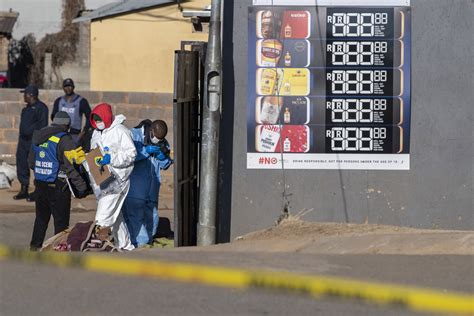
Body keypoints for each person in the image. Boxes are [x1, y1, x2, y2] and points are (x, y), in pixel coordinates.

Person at [28, 111, 89, 251]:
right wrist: (82, 187)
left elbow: (31, 162)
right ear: (66, 125)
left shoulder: (39, 137)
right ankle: (59, 250)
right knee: (61, 222)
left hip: (40, 184)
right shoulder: (64, 139)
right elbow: (71, 167)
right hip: (58, 186)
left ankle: (34, 247)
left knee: (41, 219)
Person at [89, 103, 136, 250]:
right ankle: (126, 246)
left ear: (107, 117)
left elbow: (131, 154)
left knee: (103, 216)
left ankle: (98, 246)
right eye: (95, 120)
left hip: (118, 180)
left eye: (99, 119)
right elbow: (93, 152)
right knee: (116, 216)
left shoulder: (121, 131)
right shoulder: (96, 132)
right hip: (102, 179)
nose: (98, 123)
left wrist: (112, 158)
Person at [122, 120, 173, 247]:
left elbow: (165, 164)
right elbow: (128, 157)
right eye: (156, 137)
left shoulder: (162, 142)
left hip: (152, 187)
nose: (158, 140)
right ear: (151, 130)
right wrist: (145, 151)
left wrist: (163, 158)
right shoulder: (134, 136)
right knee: (135, 216)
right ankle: (141, 244)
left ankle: (148, 241)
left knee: (153, 217)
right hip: (136, 187)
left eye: (161, 139)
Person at [13, 85, 49, 201]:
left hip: (34, 141)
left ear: (31, 95)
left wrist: (36, 139)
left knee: (35, 165)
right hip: (23, 141)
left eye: (25, 94)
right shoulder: (26, 109)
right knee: (21, 163)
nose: (24, 96)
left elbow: (42, 125)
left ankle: (38, 191)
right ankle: (24, 189)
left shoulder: (41, 108)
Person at [51, 78, 92, 148]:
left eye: (70, 86)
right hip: (60, 133)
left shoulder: (81, 101)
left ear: (73, 87)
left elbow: (90, 117)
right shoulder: (59, 101)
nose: (68, 88)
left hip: (75, 134)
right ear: (63, 88)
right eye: (66, 86)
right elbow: (53, 116)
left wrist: (83, 132)